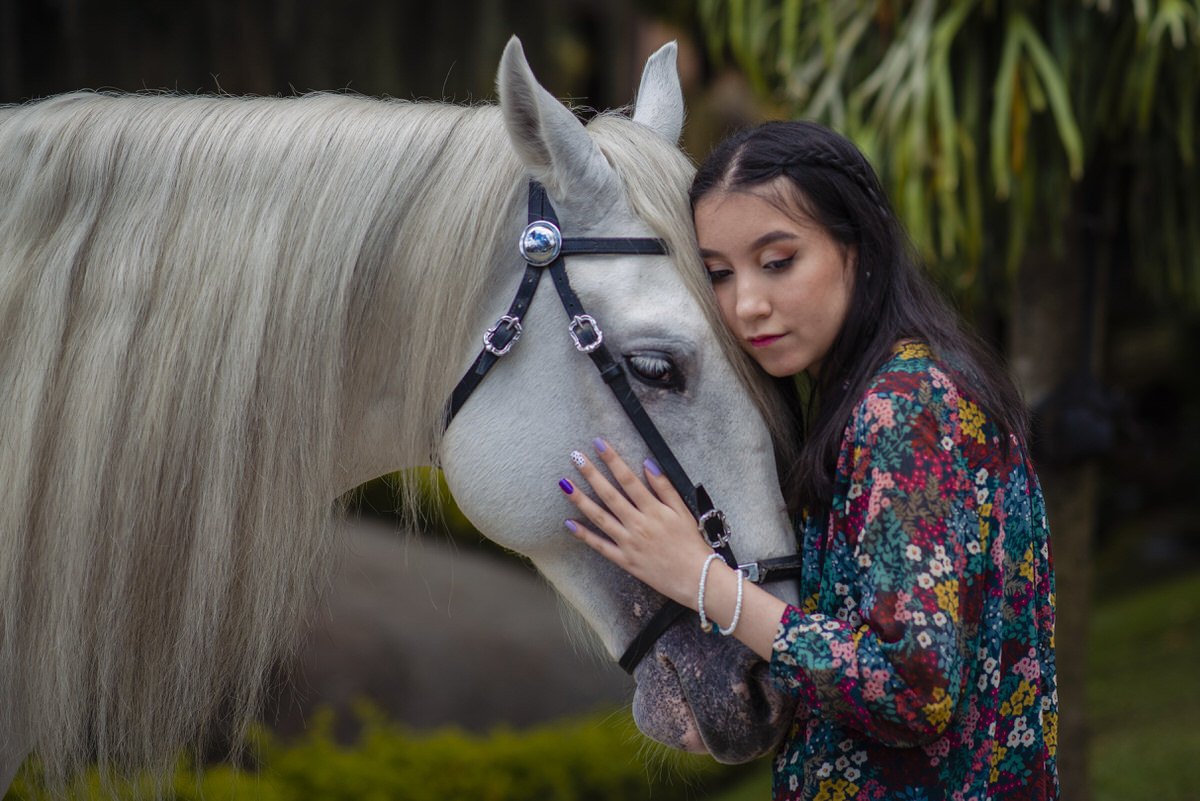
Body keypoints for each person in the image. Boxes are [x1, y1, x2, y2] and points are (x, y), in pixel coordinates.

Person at [559, 121, 1058, 800]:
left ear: (858, 246)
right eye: (718, 275)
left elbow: (910, 689)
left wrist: (700, 580)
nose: (746, 304)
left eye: (779, 260)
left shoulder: (903, 408)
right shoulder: (880, 396)